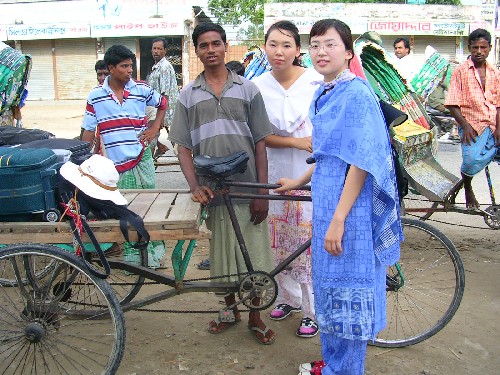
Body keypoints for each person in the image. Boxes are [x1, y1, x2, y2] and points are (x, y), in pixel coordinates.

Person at [275, 19, 403, 374]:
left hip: (351, 212)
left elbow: (360, 163)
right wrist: (298, 180)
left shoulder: (357, 95)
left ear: (348, 53)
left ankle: (346, 369)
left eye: (330, 44)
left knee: (350, 293)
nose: (321, 51)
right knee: (331, 289)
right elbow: (328, 152)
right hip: (329, 205)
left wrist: (339, 219)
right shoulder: (324, 91)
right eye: (315, 44)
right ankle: (333, 362)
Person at [169, 23, 275, 345]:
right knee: (223, 255)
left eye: (216, 43)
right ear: (197, 51)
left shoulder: (248, 89)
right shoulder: (187, 96)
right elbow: (183, 148)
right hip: (213, 190)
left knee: (253, 257)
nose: (211, 49)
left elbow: (260, 143)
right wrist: (193, 187)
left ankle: (256, 316)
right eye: (204, 45)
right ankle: (230, 312)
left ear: (225, 46)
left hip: (247, 188)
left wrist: (262, 192)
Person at [252, 20, 322, 339]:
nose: (279, 52)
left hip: (310, 172)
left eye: (287, 45)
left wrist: (309, 143)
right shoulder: (257, 86)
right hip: (276, 171)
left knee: (307, 242)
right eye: (273, 44)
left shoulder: (316, 82)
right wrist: (296, 141)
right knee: (278, 239)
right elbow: (259, 136)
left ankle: (312, 311)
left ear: (298, 49)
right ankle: (287, 298)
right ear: (264, 46)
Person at [81, 44, 168, 269]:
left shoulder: (141, 89)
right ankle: (134, 261)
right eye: (124, 66)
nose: (130, 70)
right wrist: (81, 158)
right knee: (126, 211)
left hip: (142, 158)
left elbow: (163, 104)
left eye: (131, 66)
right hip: (116, 165)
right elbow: (88, 132)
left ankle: (153, 257)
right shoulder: (96, 96)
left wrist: (154, 130)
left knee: (149, 208)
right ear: (111, 68)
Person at [445, 28, 500, 210]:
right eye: (475, 47)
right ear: (469, 47)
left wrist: (498, 127)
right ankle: (468, 187)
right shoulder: (460, 71)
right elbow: (452, 103)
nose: (479, 51)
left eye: (483, 47)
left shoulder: (494, 73)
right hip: (471, 124)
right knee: (470, 161)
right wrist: (466, 126)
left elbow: (498, 104)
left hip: (493, 123)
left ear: (489, 48)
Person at [145, 37, 179, 159]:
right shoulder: (156, 67)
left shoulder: (164, 67)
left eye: (159, 49)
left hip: (161, 110)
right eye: (154, 48)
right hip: (155, 109)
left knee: (152, 136)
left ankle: (149, 163)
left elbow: (165, 93)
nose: (156, 51)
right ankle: (161, 147)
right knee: (152, 135)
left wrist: (161, 117)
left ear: (165, 51)